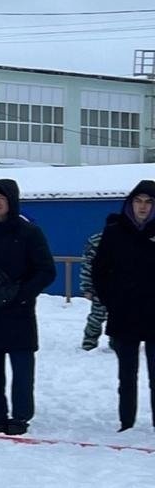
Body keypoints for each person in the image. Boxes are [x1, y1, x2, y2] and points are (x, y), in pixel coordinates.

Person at [0, 180, 55, 435]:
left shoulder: (30, 233)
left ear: (12, 201)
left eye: (1, 197)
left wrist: (22, 295)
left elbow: (46, 270)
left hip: (19, 313)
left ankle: (20, 417)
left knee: (22, 372)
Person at [91, 179, 155, 431]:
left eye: (149, 202)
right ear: (130, 204)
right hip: (124, 313)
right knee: (127, 375)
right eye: (138, 201)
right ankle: (126, 423)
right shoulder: (115, 232)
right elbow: (100, 271)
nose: (143, 207)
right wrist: (112, 300)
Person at [79, 230, 110, 352]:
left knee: (119, 316)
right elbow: (88, 265)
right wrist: (87, 287)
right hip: (102, 286)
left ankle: (116, 341)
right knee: (97, 316)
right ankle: (89, 342)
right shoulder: (97, 241)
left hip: (120, 287)